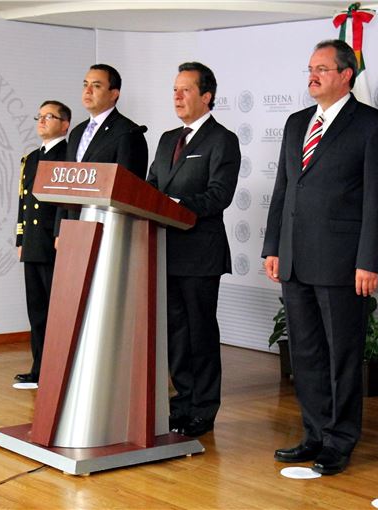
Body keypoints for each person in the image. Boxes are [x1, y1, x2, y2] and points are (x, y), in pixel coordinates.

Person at [262, 39, 378, 475]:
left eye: (321, 68)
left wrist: (369, 260)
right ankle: (314, 434)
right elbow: (284, 190)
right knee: (305, 354)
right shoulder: (296, 122)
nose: (312, 76)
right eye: (309, 68)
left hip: (343, 263)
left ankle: (340, 441)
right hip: (295, 258)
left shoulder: (374, 125)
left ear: (346, 74)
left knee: (342, 354)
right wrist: (272, 247)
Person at [147, 62, 240, 438]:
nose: (177, 97)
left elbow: (219, 196)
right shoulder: (168, 138)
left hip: (200, 254)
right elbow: (150, 186)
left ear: (207, 96)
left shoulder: (222, 139)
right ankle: (182, 403)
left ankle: (204, 408)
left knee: (200, 333)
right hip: (165, 251)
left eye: (185, 90)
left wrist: (173, 202)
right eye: (174, 90)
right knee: (176, 335)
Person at [14, 100, 71, 388]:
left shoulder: (69, 155)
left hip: (55, 241)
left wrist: (60, 233)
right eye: (40, 116)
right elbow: (23, 203)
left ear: (65, 124)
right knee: (36, 310)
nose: (43, 121)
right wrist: (21, 238)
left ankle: (58, 369)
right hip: (34, 243)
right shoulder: (32, 158)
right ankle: (39, 367)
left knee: (56, 310)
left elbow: (66, 200)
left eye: (50, 116)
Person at [54, 64, 148, 236]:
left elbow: (128, 190)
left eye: (96, 86)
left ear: (114, 94)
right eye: (85, 85)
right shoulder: (76, 133)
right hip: (74, 227)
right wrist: (60, 231)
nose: (88, 91)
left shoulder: (127, 132)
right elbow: (65, 186)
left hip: (109, 230)